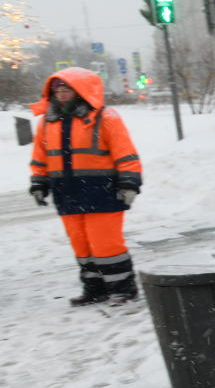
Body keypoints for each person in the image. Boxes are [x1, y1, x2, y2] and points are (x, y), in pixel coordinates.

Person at [28, 68, 144, 305]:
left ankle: (123, 289)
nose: (61, 94)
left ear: (80, 90)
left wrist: (129, 183)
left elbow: (126, 154)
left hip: (103, 191)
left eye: (66, 89)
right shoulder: (46, 123)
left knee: (105, 244)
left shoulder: (106, 117)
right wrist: (39, 183)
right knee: (81, 245)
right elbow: (40, 158)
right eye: (57, 90)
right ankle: (95, 288)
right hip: (66, 192)